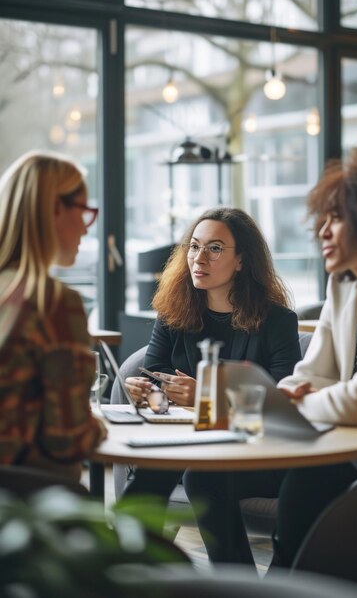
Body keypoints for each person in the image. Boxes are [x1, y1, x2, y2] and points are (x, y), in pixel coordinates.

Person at [184, 147, 357, 568]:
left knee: (309, 484)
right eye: (322, 220)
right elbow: (309, 374)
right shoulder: (344, 289)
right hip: (335, 443)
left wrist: (292, 402)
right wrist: (287, 395)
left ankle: (287, 584)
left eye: (337, 219)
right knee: (205, 473)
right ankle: (237, 588)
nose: (323, 232)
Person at [121, 207, 301, 521]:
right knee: (157, 465)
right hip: (188, 446)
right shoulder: (173, 313)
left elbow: (280, 399)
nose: (199, 258)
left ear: (242, 260)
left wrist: (207, 395)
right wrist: (145, 392)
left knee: (195, 473)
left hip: (255, 453)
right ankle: (124, 564)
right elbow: (156, 379)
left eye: (214, 249)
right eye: (194, 246)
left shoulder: (278, 322)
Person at [0, 150, 107, 480]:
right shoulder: (53, 303)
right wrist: (98, 427)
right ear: (56, 208)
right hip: (30, 509)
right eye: (86, 212)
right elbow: (68, 440)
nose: (87, 231)